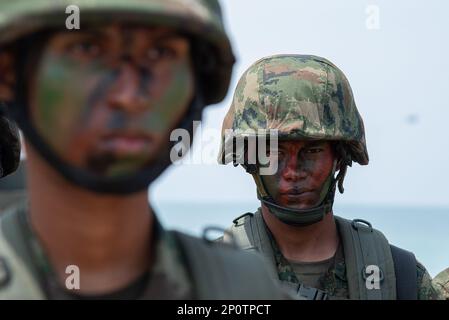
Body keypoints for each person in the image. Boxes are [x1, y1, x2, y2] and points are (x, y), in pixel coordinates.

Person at [0, 0, 288, 299]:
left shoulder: (245, 291)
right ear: (10, 72)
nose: (128, 95)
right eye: (86, 48)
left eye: (159, 52)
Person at [218, 54, 441, 300]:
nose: (293, 171)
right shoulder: (209, 276)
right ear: (250, 161)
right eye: (273, 152)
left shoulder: (401, 278)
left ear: (340, 157)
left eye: (312, 151)